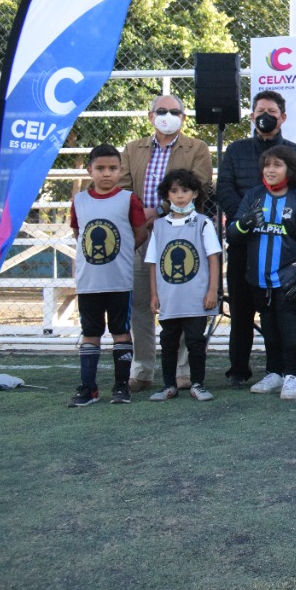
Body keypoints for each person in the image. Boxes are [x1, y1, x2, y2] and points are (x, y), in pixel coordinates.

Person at [119, 93, 214, 394]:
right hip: (141, 235)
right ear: (150, 116)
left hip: (181, 235)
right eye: (161, 111)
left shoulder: (197, 148)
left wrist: (157, 211)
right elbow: (122, 188)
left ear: (183, 118)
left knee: (185, 301)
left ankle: (182, 371)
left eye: (174, 111)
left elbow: (201, 184)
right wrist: (140, 217)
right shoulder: (132, 149)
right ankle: (142, 370)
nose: (167, 115)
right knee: (142, 304)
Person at [216, 90, 296, 387]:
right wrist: (248, 217)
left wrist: (270, 218)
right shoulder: (236, 150)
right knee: (243, 311)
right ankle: (240, 370)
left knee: (282, 315)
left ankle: (287, 372)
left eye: (271, 110)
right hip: (245, 245)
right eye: (259, 110)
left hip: (283, 252)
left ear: (282, 117)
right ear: (252, 115)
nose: (264, 115)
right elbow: (224, 189)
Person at [229, 146, 296, 401]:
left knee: (288, 325)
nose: (271, 170)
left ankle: (292, 376)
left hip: (287, 277)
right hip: (258, 277)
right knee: (268, 326)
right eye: (267, 165)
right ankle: (274, 372)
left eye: (277, 165)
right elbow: (234, 234)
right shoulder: (253, 196)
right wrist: (244, 224)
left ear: (289, 170)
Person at [68, 144, 149, 406]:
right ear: (89, 170)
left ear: (121, 170)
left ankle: (121, 386)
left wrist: (121, 252)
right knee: (90, 332)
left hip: (118, 280)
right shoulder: (79, 201)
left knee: (120, 332)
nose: (106, 174)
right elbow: (78, 234)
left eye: (112, 168)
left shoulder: (128, 199)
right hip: (89, 282)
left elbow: (140, 233)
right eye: (100, 168)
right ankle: (88, 388)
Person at [145, 169, 221, 403]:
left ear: (195, 193)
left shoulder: (203, 223)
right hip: (169, 298)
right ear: (166, 195)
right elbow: (153, 262)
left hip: (196, 298)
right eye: (174, 191)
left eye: (185, 190)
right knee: (168, 341)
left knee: (196, 342)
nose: (180, 196)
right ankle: (169, 385)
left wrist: (212, 291)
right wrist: (154, 295)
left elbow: (213, 258)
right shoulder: (159, 226)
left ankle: (197, 383)